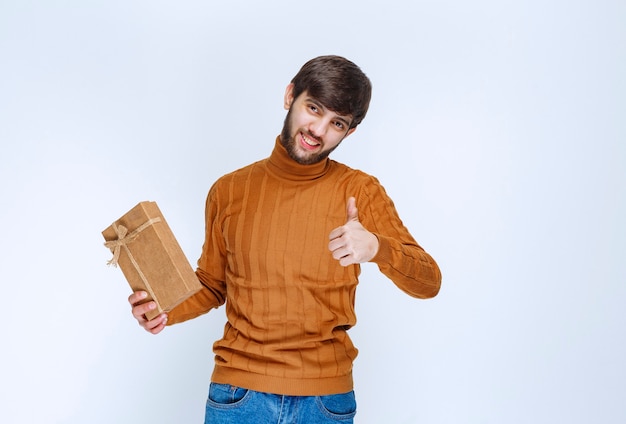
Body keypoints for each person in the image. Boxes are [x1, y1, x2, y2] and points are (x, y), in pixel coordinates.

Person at [128, 55, 442, 423]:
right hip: (239, 396)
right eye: (313, 108)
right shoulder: (228, 191)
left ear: (349, 132)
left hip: (325, 401)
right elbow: (214, 284)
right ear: (290, 95)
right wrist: (164, 308)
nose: (318, 130)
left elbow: (429, 282)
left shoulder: (361, 191)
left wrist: (377, 248)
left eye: (336, 123)